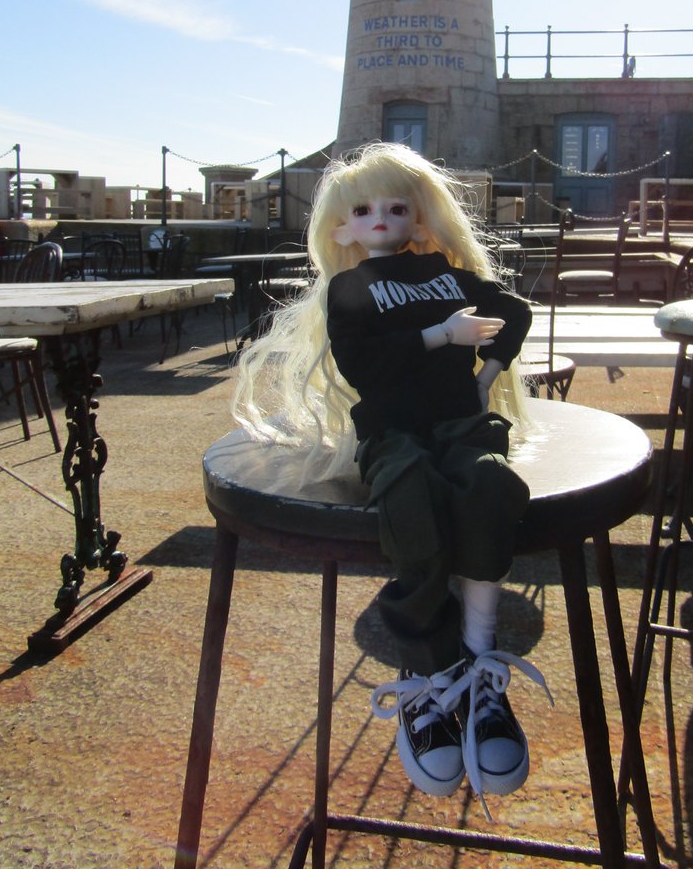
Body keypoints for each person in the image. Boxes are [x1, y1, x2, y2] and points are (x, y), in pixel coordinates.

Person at [233, 142, 550, 811]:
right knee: (410, 497)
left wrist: (488, 374)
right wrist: (442, 337)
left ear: (420, 218)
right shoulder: (349, 289)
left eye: (396, 207)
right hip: (393, 431)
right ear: (342, 228)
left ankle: (480, 658)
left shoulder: (441, 269)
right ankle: (429, 668)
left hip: (462, 423)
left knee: (492, 487)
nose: (380, 218)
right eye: (363, 209)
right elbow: (363, 366)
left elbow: (513, 311)